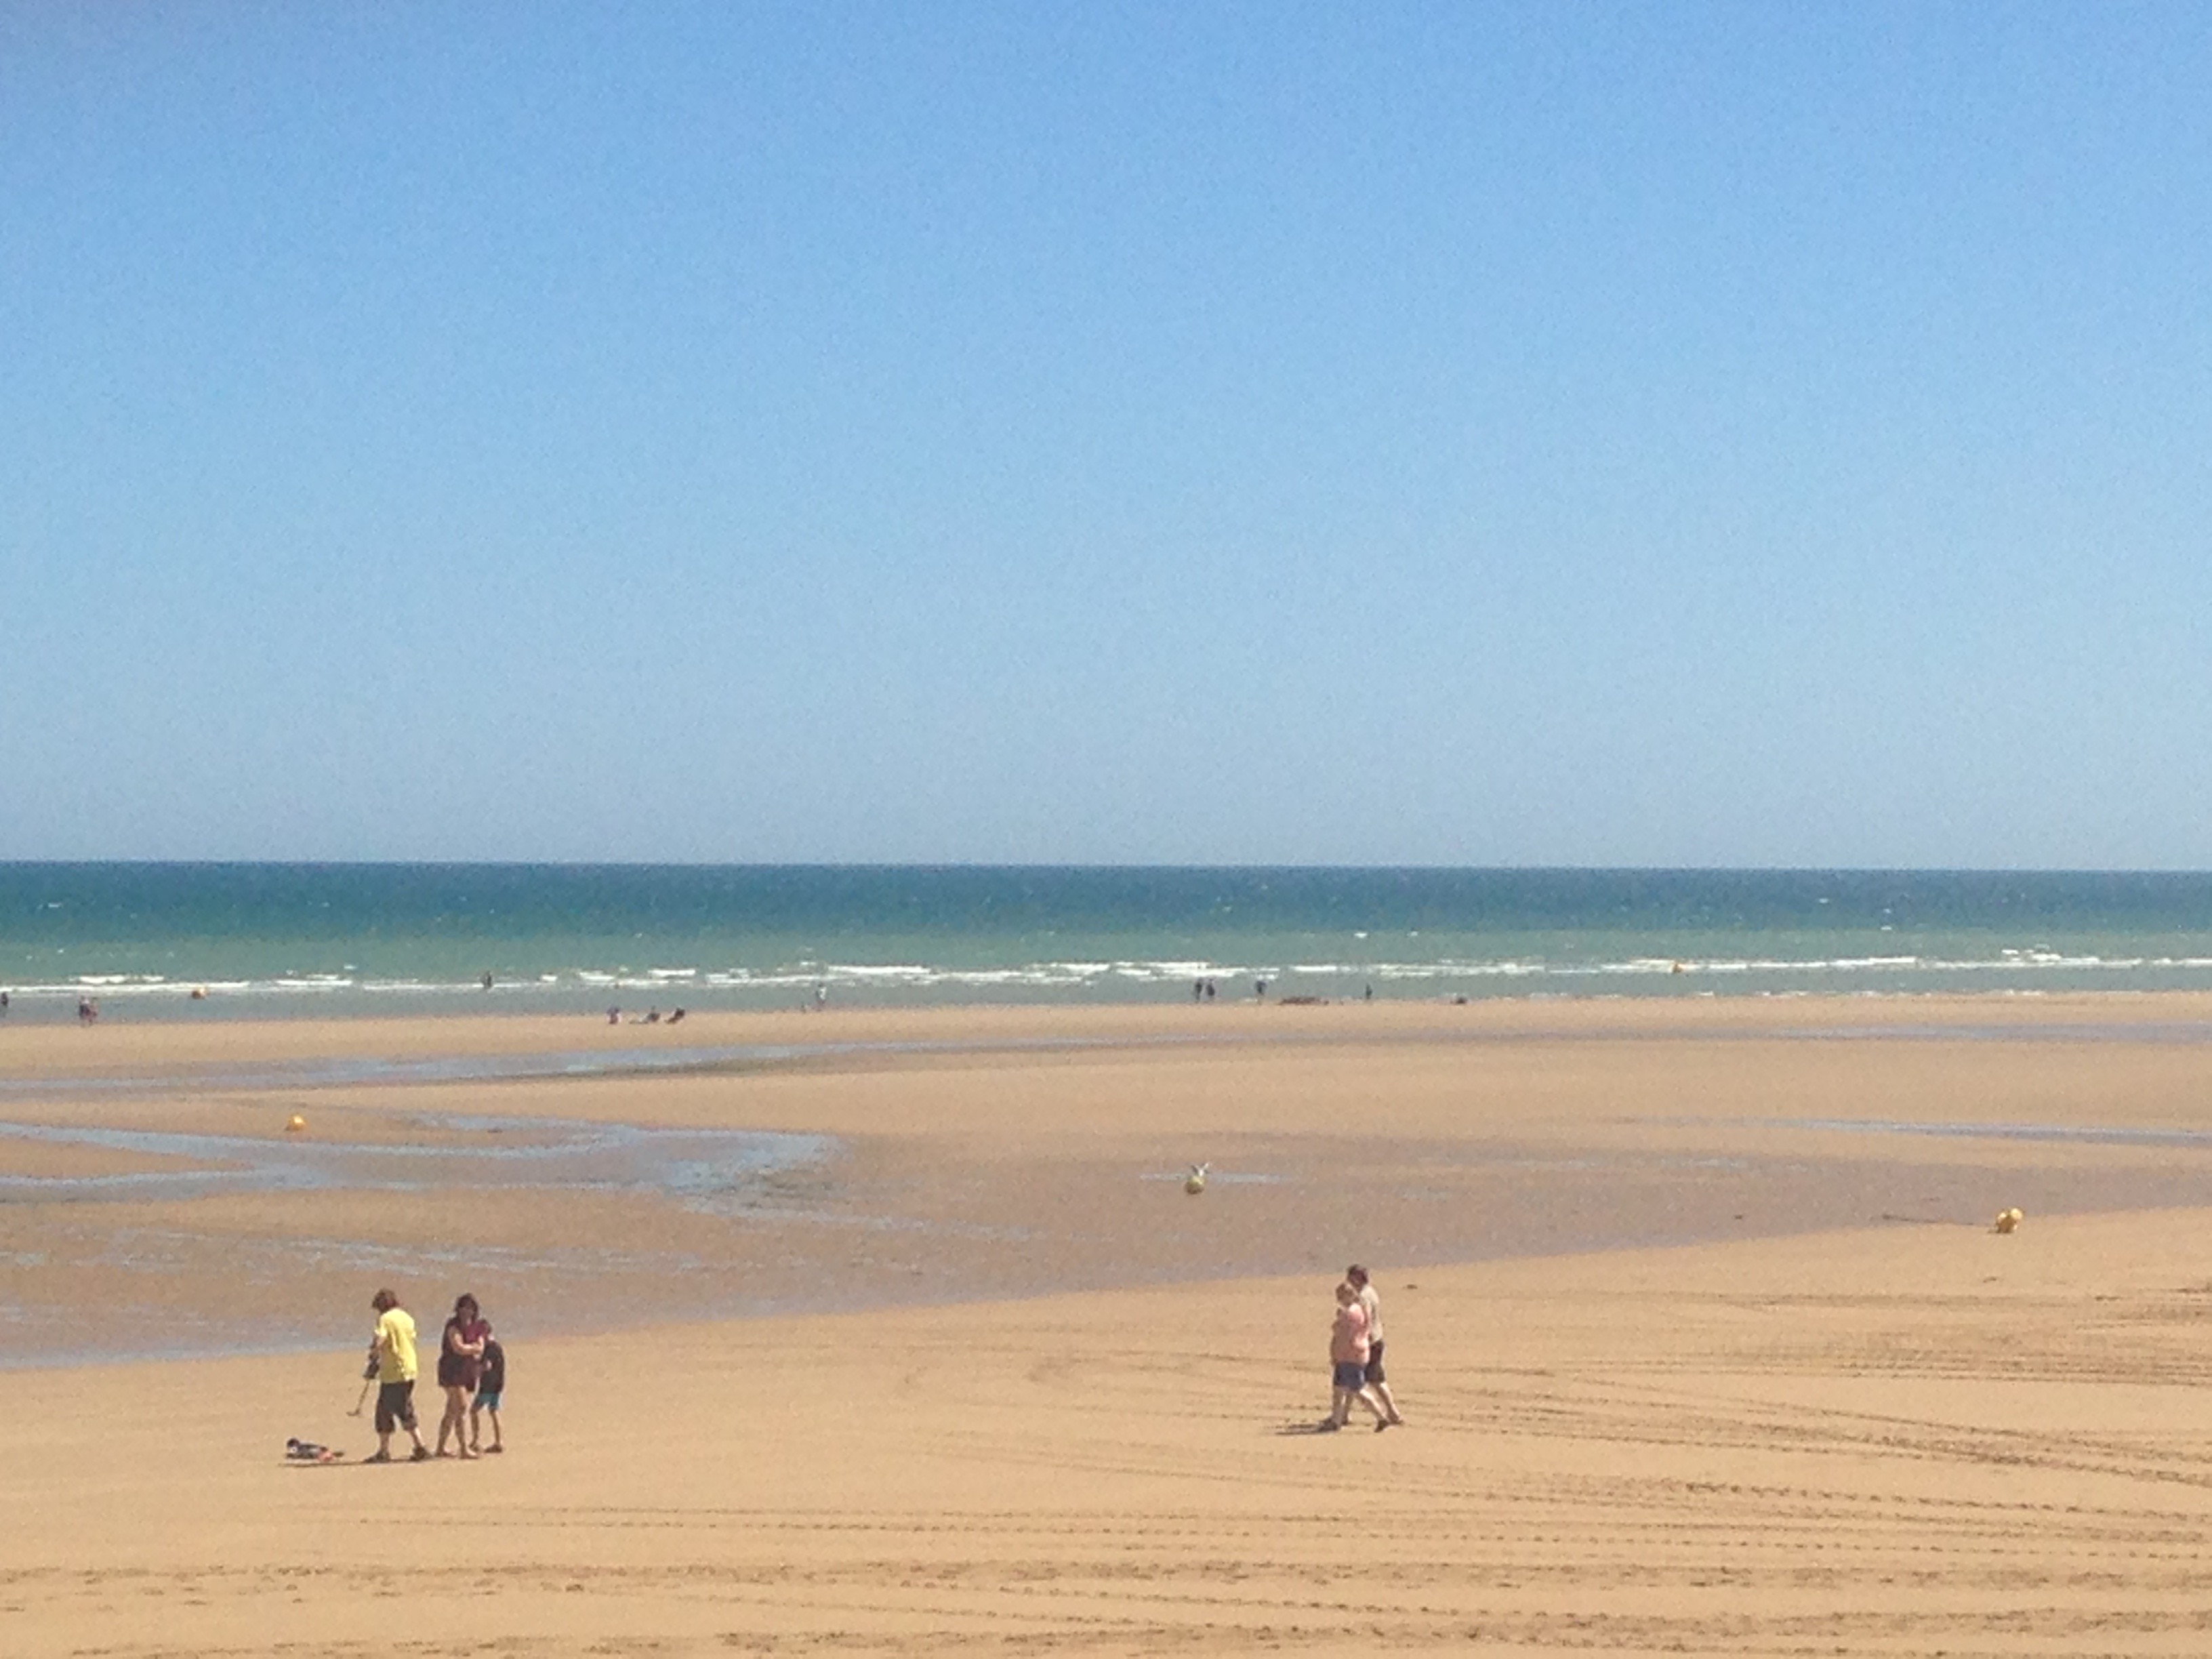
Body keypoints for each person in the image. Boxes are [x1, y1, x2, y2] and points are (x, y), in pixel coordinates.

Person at [365, 1288, 430, 1462]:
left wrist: (373, 1355)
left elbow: (381, 1338)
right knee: (399, 1408)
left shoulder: (385, 1319)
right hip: (409, 1368)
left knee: (389, 1411)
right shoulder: (407, 1318)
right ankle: (412, 1447)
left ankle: (414, 1447)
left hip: (394, 1372)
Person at [1321, 1280, 1389, 1431]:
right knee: (1338, 1390)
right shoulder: (1359, 1309)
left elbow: (1343, 1333)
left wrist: (1338, 1324)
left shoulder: (1351, 1313)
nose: (1339, 1299)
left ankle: (1381, 1417)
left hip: (1350, 1355)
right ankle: (1336, 1420)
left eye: (1341, 1296)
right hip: (1351, 1354)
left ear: (1350, 1295)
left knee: (1358, 1390)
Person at [1346, 1264, 1404, 1425]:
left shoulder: (1363, 1296)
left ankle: (1393, 1412)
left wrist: (1360, 1337)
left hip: (1368, 1342)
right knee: (1354, 1379)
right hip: (1376, 1339)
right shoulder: (1371, 1291)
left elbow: (1367, 1318)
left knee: (1372, 1380)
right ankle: (1344, 1413)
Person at [435, 1293, 489, 1458]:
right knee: (462, 1406)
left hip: (467, 1370)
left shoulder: (478, 1326)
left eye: (470, 1309)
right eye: (464, 1308)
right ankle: (464, 1448)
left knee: (451, 1410)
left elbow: (481, 1346)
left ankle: (440, 1447)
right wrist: (472, 1349)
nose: (467, 1312)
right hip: (451, 1370)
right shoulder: (453, 1325)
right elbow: (458, 1347)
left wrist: (472, 1348)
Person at [471, 1327, 506, 1454]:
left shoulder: (489, 1349)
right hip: (498, 1384)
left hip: (488, 1386)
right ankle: (499, 1441)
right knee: (494, 1411)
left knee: (474, 1411)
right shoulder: (498, 1347)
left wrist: (476, 1365)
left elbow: (487, 1366)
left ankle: (475, 1440)